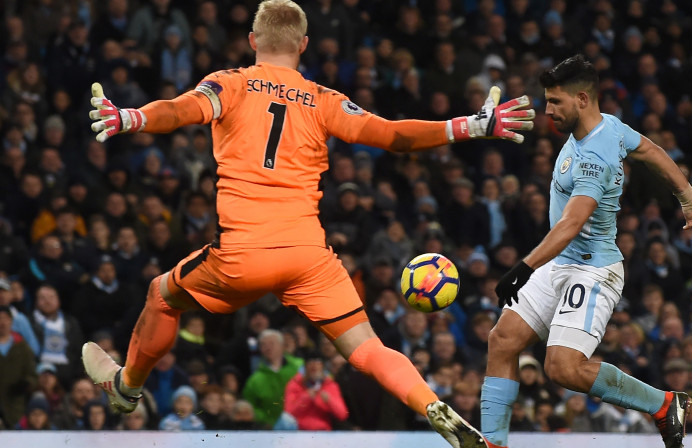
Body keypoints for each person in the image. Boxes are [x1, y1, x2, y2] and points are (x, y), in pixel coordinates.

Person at [80, 1, 534, 447]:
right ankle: (431, 403)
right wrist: (467, 127)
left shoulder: (228, 84)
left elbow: (180, 110)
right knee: (367, 349)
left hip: (243, 254)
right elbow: (392, 135)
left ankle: (126, 387)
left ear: (253, 40)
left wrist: (130, 117)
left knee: (162, 294)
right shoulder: (323, 99)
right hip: (308, 257)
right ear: (304, 46)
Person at [479, 55, 692, 448]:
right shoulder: (608, 126)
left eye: (555, 102)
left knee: (561, 367)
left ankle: (662, 404)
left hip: (592, 271)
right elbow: (651, 150)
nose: (547, 110)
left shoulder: (596, 158)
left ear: (581, 99)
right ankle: (492, 443)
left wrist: (523, 267)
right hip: (560, 260)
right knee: (502, 340)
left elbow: (572, 224)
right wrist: (688, 194)